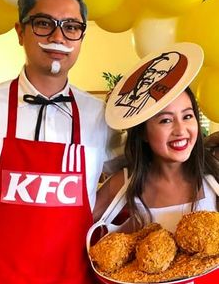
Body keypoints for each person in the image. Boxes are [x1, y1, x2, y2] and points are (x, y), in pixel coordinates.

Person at [0, 0, 122, 284]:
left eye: (72, 27)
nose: (59, 37)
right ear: (21, 31)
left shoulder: (100, 116)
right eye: (44, 23)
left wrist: (96, 211)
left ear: (81, 37)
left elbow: (133, 171)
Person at [94, 43, 219, 234]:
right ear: (143, 132)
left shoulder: (214, 179)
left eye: (187, 116)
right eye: (166, 120)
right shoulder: (123, 183)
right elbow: (74, 228)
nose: (181, 130)